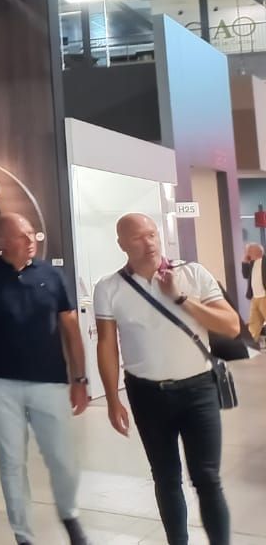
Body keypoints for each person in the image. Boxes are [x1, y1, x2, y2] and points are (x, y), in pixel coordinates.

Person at [94, 213, 239, 545]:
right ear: (121, 244)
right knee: (166, 478)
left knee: (207, 478)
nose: (149, 243)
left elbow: (231, 326)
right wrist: (112, 399)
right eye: (138, 237)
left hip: (198, 389)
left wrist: (181, 298)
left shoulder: (192, 273)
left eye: (152, 234)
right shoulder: (109, 287)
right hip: (146, 394)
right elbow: (107, 345)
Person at [0, 213, 91, 545]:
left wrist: (80, 379)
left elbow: (71, 329)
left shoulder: (52, 276)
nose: (31, 240)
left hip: (50, 382)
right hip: (2, 384)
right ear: (3, 240)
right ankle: (23, 535)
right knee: (12, 461)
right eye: (22, 235)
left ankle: (69, 514)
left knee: (63, 459)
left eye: (33, 233)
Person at [243, 243, 265, 347]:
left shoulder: (264, 261)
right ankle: (250, 346)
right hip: (255, 298)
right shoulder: (252, 264)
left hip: (264, 296)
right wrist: (245, 261)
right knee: (253, 324)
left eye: (248, 251)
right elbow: (245, 275)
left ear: (255, 252)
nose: (246, 253)